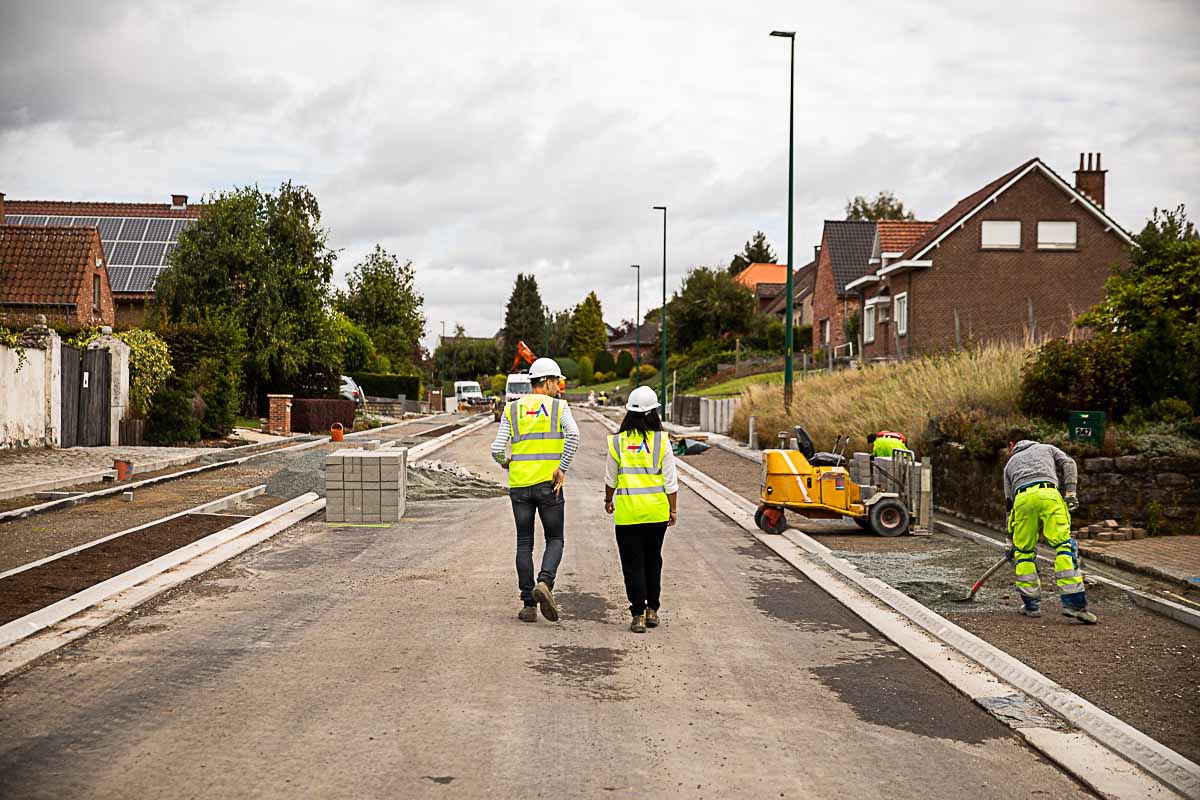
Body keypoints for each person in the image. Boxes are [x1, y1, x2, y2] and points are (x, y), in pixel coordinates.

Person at [491, 358, 580, 623]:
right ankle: (545, 582)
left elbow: (496, 449)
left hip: (519, 486)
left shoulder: (512, 409)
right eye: (558, 382)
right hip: (548, 485)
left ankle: (529, 605)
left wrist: (506, 463)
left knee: (524, 543)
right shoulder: (558, 407)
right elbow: (574, 436)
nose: (559, 388)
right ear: (549, 381)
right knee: (555, 539)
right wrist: (561, 468)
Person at [604, 386, 679, 633]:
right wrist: (673, 510)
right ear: (654, 413)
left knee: (632, 563)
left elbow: (610, 479)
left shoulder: (618, 443)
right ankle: (652, 611)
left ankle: (637, 614)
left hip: (627, 515)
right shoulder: (662, 442)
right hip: (656, 512)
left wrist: (608, 500)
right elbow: (671, 482)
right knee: (652, 560)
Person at [1003, 428, 1096, 624]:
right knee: (1063, 546)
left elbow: (1009, 503)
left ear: (1011, 445)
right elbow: (1069, 463)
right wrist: (1070, 492)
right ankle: (1074, 605)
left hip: (1023, 500)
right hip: (1049, 494)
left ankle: (1032, 606)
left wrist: (1011, 540)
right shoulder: (1047, 448)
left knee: (1024, 552)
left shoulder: (1010, 464)